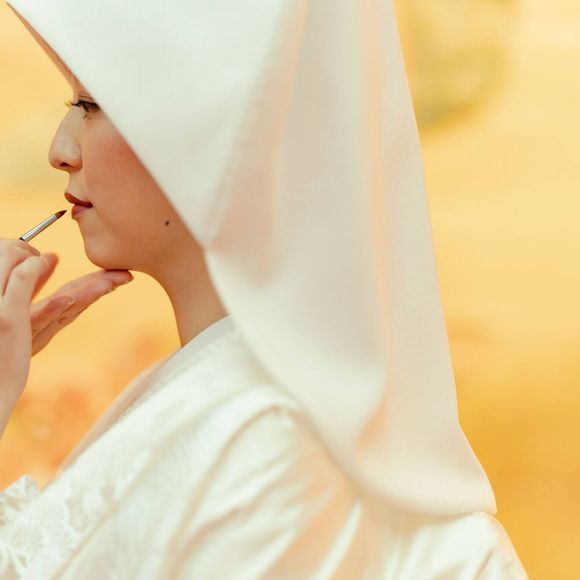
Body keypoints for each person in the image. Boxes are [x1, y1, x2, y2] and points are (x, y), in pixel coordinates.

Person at [0, 0, 529, 578]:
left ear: (217, 131)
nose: (61, 150)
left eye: (89, 104)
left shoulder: (263, 435)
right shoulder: (226, 403)